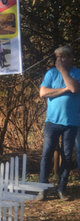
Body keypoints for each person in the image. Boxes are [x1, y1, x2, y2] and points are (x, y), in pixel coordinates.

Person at [38, 46, 80, 201]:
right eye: (58, 57)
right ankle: (43, 188)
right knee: (46, 154)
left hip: (71, 122)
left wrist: (63, 71)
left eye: (63, 57)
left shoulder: (77, 73)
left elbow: (75, 88)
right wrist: (65, 89)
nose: (60, 60)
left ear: (71, 57)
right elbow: (43, 93)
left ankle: (62, 189)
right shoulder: (51, 73)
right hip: (52, 121)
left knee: (67, 156)